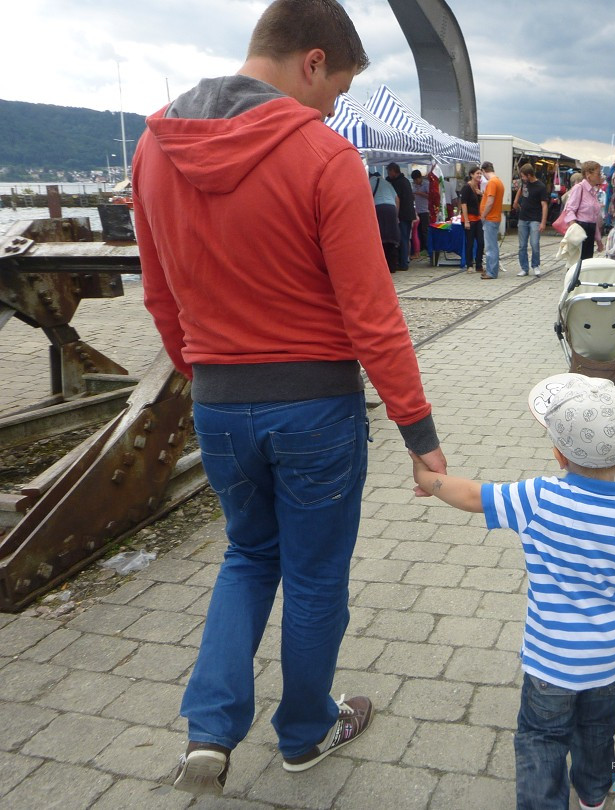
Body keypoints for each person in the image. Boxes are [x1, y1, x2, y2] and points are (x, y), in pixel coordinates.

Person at [132, 0, 448, 795]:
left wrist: (203, 372)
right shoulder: (321, 155)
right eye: (337, 90)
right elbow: (372, 317)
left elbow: (161, 297)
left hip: (219, 402)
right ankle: (306, 731)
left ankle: (210, 730)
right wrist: (420, 433)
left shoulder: (153, 147)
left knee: (247, 556)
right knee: (313, 578)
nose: (335, 108)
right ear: (312, 61)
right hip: (314, 408)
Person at [411, 373, 615, 810]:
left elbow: (472, 496)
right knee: (597, 730)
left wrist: (428, 478)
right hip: (612, 661)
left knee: (542, 736)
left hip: (550, 662)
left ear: (558, 454)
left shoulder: (537, 498)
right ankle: (593, 794)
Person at [560, 161, 605, 261]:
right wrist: (574, 229)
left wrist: (598, 240)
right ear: (588, 174)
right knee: (576, 263)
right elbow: (570, 210)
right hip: (580, 229)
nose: (600, 176)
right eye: (598, 173)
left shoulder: (593, 191)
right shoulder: (579, 188)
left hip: (590, 230)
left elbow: (594, 219)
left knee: (586, 263)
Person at [512, 163, 548, 276]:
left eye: (523, 176)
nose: (522, 178)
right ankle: (524, 268)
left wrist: (543, 222)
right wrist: (516, 201)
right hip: (523, 217)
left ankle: (535, 265)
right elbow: (520, 189)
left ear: (529, 175)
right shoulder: (525, 183)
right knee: (522, 245)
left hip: (535, 219)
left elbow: (544, 205)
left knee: (534, 243)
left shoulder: (541, 187)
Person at [386, 162, 416, 271]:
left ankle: (403, 263)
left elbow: (397, 199)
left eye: (389, 171)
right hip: (408, 214)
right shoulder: (405, 181)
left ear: (394, 171)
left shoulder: (397, 183)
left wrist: (396, 215)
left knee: (401, 239)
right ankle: (404, 261)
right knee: (405, 238)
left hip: (402, 215)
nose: (388, 174)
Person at [370, 167, 400, 273]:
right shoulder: (387, 183)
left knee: (380, 238)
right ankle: (393, 266)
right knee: (392, 238)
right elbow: (397, 199)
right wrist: (396, 215)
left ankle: (382, 267)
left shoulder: (370, 182)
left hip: (378, 209)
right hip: (391, 208)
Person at [479, 161, 505, 279]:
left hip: (490, 218)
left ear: (484, 171)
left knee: (490, 247)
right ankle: (491, 269)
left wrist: (483, 215)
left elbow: (490, 201)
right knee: (492, 245)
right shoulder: (498, 182)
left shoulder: (492, 183)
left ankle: (491, 272)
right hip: (495, 217)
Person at [459, 165, 484, 274]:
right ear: (471, 175)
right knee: (470, 243)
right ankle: (469, 265)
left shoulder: (477, 187)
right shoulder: (466, 188)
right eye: (477, 173)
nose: (479, 175)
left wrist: (481, 194)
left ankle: (479, 264)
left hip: (478, 218)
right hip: (469, 219)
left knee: (481, 242)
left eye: (480, 173)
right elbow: (463, 204)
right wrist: (467, 220)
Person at [411, 169, 430, 257]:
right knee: (418, 231)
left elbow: (430, 196)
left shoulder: (426, 184)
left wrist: (420, 193)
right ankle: (421, 248)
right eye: (414, 180)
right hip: (417, 210)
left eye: (416, 179)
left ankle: (426, 248)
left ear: (420, 178)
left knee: (424, 230)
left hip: (425, 210)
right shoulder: (414, 185)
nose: (415, 181)